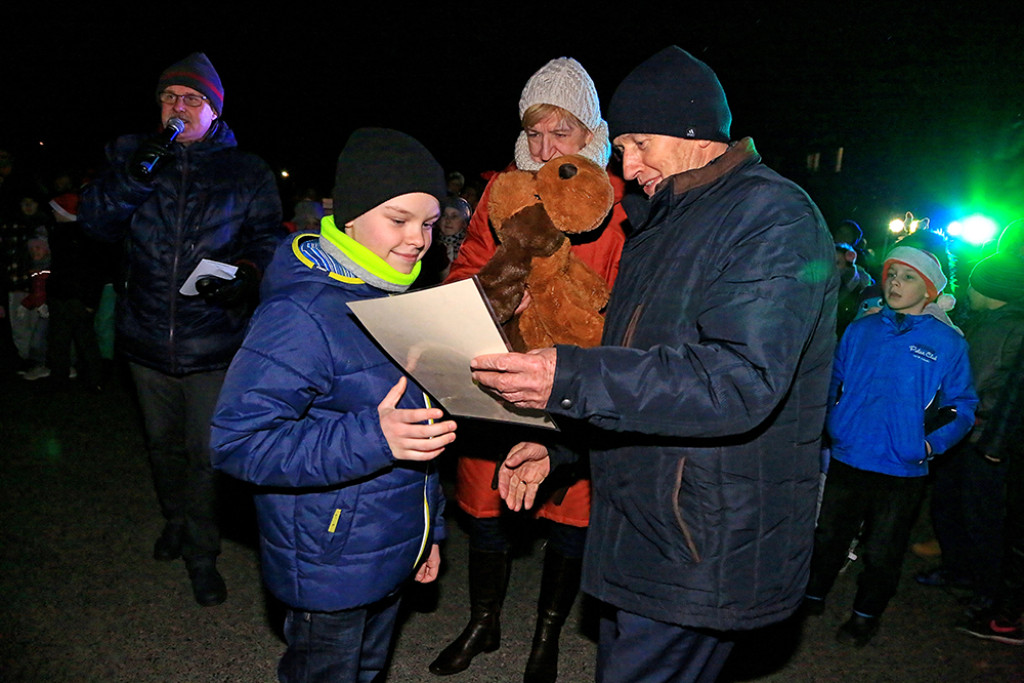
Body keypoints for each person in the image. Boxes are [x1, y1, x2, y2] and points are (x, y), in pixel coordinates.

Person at [470, 46, 837, 682]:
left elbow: (735, 382)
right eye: (623, 147)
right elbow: (648, 376)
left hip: (703, 540)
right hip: (647, 528)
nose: (626, 164)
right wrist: (564, 449)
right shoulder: (666, 221)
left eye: (640, 143)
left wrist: (570, 377)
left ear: (695, 136)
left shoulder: (772, 218)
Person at [210, 128, 457, 682]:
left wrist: (427, 535)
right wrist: (373, 438)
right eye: (398, 219)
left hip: (390, 545)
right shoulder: (302, 313)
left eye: (428, 222)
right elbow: (236, 442)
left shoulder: (390, 293)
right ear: (349, 216)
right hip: (330, 564)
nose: (417, 239)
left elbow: (415, 429)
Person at [429, 56, 626, 683]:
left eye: (559, 133)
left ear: (589, 133)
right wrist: (490, 294)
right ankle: (485, 622)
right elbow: (465, 270)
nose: (542, 148)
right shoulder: (503, 189)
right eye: (534, 132)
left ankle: (547, 635)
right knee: (485, 500)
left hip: (577, 380)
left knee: (571, 512)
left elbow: (628, 298)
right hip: (503, 373)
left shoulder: (616, 201)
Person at [79, 52, 283, 606]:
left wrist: (248, 275)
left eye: (193, 100)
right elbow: (95, 223)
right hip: (144, 337)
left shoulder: (247, 169)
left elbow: (266, 238)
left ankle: (202, 551)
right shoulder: (130, 153)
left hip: (213, 341)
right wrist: (133, 174)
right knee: (162, 447)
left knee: (205, 452)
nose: (180, 107)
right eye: (171, 97)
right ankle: (176, 519)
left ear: (214, 111)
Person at [804, 240, 978, 647]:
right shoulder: (862, 328)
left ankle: (865, 616)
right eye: (892, 275)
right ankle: (811, 595)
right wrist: (833, 424)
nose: (896, 283)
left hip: (901, 468)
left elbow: (963, 406)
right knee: (828, 535)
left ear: (930, 289)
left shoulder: (948, 343)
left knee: (883, 550)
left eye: (908, 277)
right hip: (849, 455)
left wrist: (929, 446)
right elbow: (833, 381)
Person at [918, 254, 1024, 618]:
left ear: (990, 289)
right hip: (966, 431)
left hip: (980, 434)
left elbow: (977, 382)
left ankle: (984, 590)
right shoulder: (986, 321)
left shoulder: (1008, 328)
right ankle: (959, 570)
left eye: (973, 283)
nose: (967, 289)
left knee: (980, 516)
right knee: (951, 506)